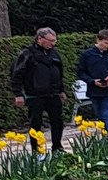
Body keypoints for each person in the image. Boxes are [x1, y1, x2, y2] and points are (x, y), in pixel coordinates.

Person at [9, 26, 66, 154]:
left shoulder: (54, 53)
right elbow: (16, 75)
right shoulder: (26, 54)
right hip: (35, 95)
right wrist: (18, 94)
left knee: (57, 122)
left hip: (53, 94)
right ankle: (37, 150)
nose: (53, 43)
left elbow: (59, 73)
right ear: (40, 39)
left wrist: (62, 90)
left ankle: (57, 147)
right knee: (36, 123)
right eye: (50, 41)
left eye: (55, 40)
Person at [77, 28, 108, 133]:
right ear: (98, 40)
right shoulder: (87, 54)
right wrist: (92, 81)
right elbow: (81, 72)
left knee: (107, 116)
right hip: (94, 90)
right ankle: (105, 139)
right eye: (106, 43)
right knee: (100, 116)